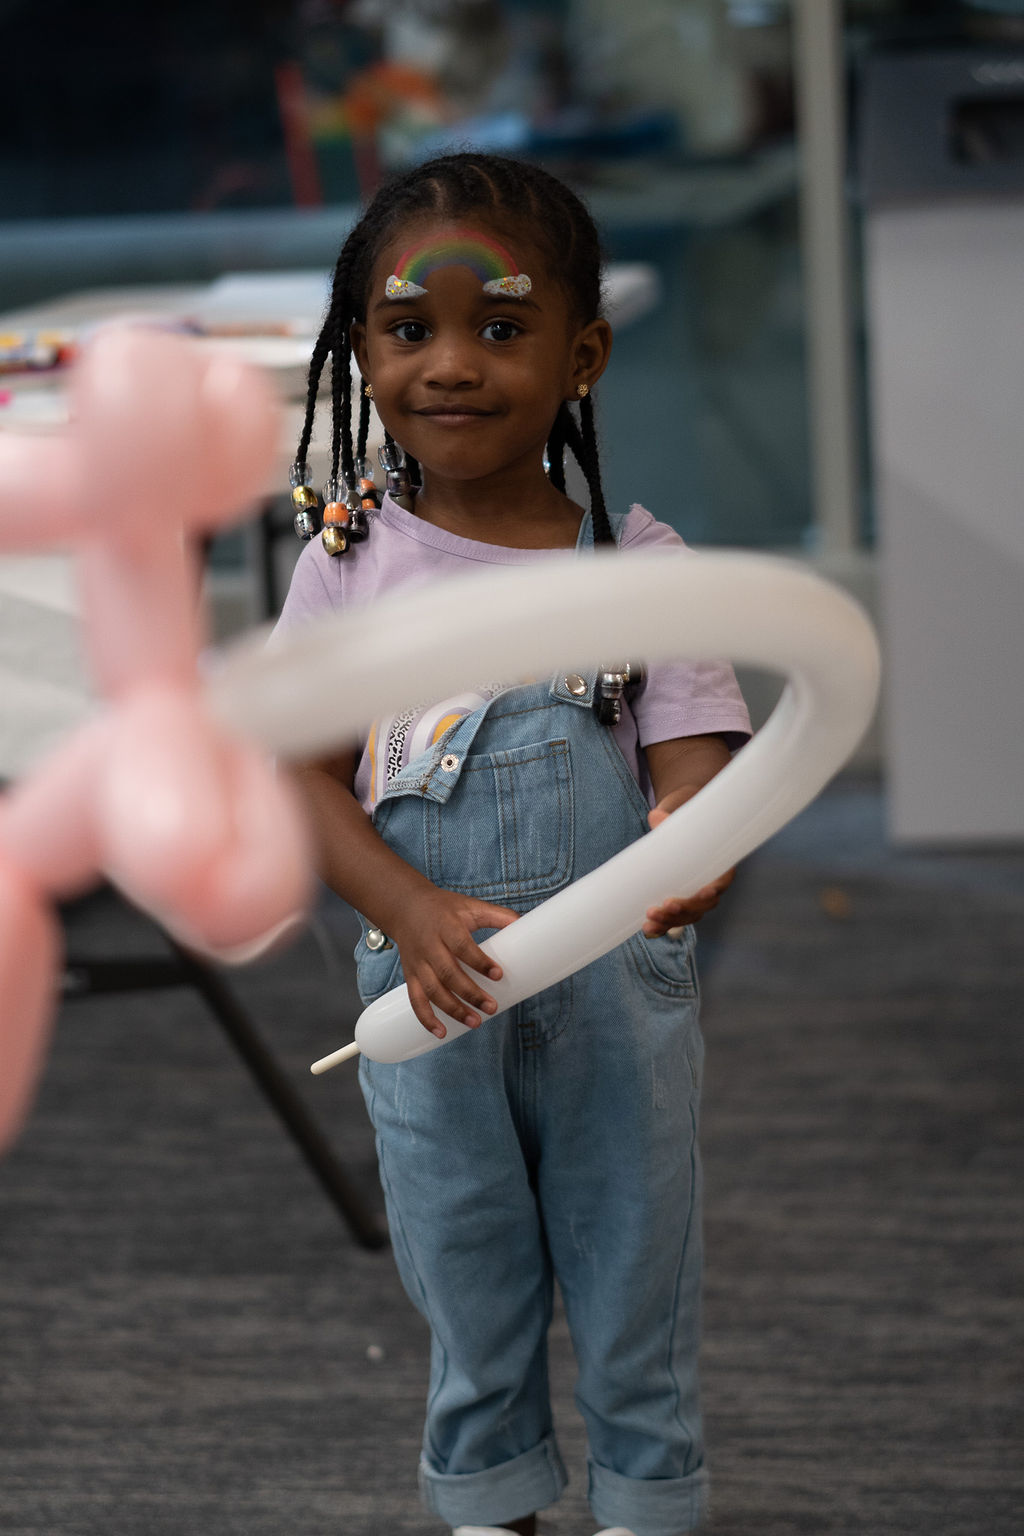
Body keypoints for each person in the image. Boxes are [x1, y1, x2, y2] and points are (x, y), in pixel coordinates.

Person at [273, 152, 751, 1536]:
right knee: (466, 1278)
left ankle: (650, 1501)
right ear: (362, 350)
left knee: (637, 1276)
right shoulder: (348, 568)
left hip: (613, 1008)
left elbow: (698, 764)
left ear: (580, 356)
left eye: (500, 325)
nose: (450, 364)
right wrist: (407, 905)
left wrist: (695, 839)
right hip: (433, 1003)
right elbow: (296, 779)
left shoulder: (637, 567)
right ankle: (489, 1502)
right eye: (407, 327)